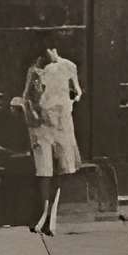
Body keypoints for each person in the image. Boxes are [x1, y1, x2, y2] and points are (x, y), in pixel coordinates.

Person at [21, 37, 82, 235]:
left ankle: (52, 214)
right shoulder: (35, 70)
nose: (49, 53)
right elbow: (26, 97)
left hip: (62, 125)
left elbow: (78, 92)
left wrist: (71, 101)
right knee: (44, 171)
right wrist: (33, 106)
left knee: (60, 170)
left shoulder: (68, 66)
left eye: (51, 49)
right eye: (46, 49)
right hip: (41, 126)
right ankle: (44, 211)